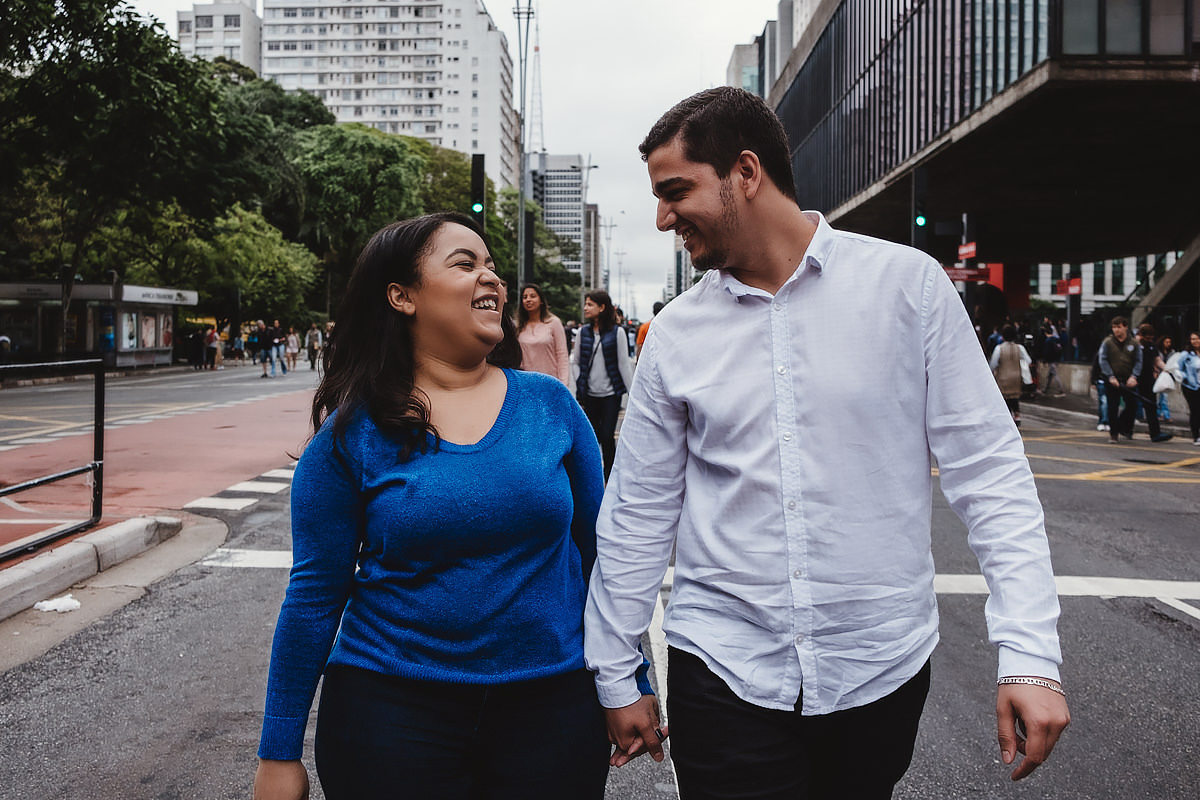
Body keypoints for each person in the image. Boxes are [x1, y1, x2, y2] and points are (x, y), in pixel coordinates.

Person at [583, 87, 1068, 799]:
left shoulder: (908, 289)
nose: (662, 218)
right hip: (722, 667)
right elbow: (639, 510)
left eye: (675, 191)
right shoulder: (676, 334)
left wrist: (1030, 656)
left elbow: (990, 472)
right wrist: (616, 668)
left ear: (745, 173)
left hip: (879, 668)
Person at [253, 212, 652, 800]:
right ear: (402, 296)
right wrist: (278, 752)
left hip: (550, 708)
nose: (490, 278)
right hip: (388, 717)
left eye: (491, 265)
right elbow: (313, 599)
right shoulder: (350, 435)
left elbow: (603, 558)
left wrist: (630, 680)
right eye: (465, 264)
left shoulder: (550, 408)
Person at [569, 289, 634, 480]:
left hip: (610, 395)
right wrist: (577, 385)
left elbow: (624, 364)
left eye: (590, 304)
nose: (585, 308)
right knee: (591, 438)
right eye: (586, 304)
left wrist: (633, 395)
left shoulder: (618, 333)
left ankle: (610, 476)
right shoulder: (583, 332)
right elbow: (576, 361)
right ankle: (592, 476)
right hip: (589, 395)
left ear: (602, 307)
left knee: (607, 436)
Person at [1098, 316, 1143, 443]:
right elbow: (1103, 359)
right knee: (1112, 406)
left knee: (1132, 405)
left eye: (1119, 327)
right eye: (1114, 327)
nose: (1116, 330)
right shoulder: (1107, 342)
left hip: (1129, 379)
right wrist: (1110, 376)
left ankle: (1125, 427)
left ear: (1125, 327)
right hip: (1112, 380)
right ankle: (1114, 433)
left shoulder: (1134, 343)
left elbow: (1138, 361)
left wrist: (1134, 376)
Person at [516, 283, 570, 385]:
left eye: (533, 296)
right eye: (524, 297)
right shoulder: (519, 326)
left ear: (541, 300)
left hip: (551, 383)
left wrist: (564, 383)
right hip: (527, 383)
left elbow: (562, 355)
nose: (528, 300)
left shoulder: (554, 322)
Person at [1133, 323, 1172, 442]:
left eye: (1151, 337)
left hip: (1148, 379)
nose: (1149, 339)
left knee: (1151, 405)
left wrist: (1166, 368)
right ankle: (1124, 428)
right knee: (1132, 405)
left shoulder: (1151, 346)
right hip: (1134, 378)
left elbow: (1157, 359)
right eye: (1147, 337)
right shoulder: (1134, 345)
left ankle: (1155, 433)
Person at [990, 323, 1033, 426]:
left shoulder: (999, 348)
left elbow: (993, 364)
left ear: (1003, 336)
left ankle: (1007, 416)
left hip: (1003, 377)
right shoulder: (1020, 348)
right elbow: (1029, 360)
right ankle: (1017, 415)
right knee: (1015, 397)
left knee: (1005, 398)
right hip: (1016, 378)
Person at [1176, 331, 1200, 445]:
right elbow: (1178, 369)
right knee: (1195, 410)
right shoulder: (1186, 355)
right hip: (1190, 386)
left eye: (1197, 339)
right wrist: (1184, 376)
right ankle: (1196, 436)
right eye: (1193, 339)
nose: (1195, 341)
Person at [1157, 335, 1175, 421]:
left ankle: (1164, 414)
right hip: (1159, 375)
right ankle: (1162, 414)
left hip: (1167, 376)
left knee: (1164, 396)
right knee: (1161, 397)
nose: (1168, 344)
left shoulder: (1172, 352)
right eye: (1166, 342)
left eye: (1169, 342)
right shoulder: (1158, 352)